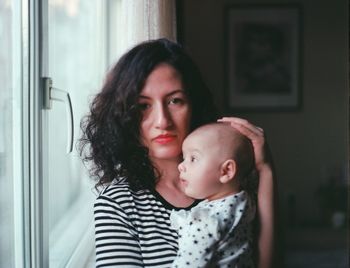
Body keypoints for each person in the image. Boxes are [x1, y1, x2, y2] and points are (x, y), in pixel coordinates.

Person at [80, 38, 275, 268]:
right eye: (144, 106)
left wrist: (266, 169)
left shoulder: (231, 182)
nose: (162, 121)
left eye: (175, 101)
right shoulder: (118, 205)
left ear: (194, 105)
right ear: (124, 116)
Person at [170, 122, 256, 268]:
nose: (181, 166)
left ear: (226, 171)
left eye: (193, 159)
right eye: (184, 158)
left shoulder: (205, 222)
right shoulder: (245, 202)